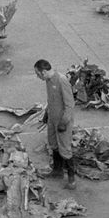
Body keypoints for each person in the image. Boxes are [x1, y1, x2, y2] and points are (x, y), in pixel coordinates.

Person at [34, 59, 76, 189]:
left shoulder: (61, 80)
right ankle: (57, 171)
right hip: (52, 118)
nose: (37, 76)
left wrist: (64, 122)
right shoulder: (47, 81)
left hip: (63, 120)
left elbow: (70, 105)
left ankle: (71, 178)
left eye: (38, 74)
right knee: (53, 143)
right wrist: (47, 113)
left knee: (65, 148)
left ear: (44, 71)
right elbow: (50, 99)